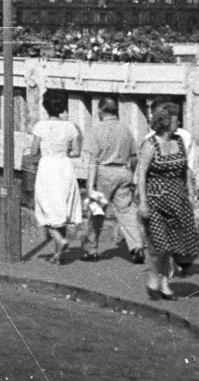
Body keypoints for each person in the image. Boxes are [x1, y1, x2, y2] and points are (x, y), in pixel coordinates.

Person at [136, 103, 199, 300]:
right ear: (164, 121)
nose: (179, 123)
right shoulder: (150, 145)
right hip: (156, 201)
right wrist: (143, 202)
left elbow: (186, 172)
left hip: (178, 200)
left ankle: (164, 284)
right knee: (159, 245)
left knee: (174, 245)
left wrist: (191, 196)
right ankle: (154, 277)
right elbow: (141, 175)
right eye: (175, 119)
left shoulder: (180, 141)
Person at [82, 98, 144, 263]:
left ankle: (91, 249)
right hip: (123, 171)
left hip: (104, 172)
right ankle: (137, 246)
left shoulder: (96, 130)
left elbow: (92, 160)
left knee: (97, 211)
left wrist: (90, 185)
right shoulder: (126, 130)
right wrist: (130, 172)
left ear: (101, 111)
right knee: (127, 211)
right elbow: (134, 156)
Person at [29, 89, 82, 264]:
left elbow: (34, 151)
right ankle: (58, 255)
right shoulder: (71, 127)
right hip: (64, 166)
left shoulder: (40, 126)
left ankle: (59, 240)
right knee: (62, 208)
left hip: (48, 166)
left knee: (45, 205)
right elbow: (76, 152)